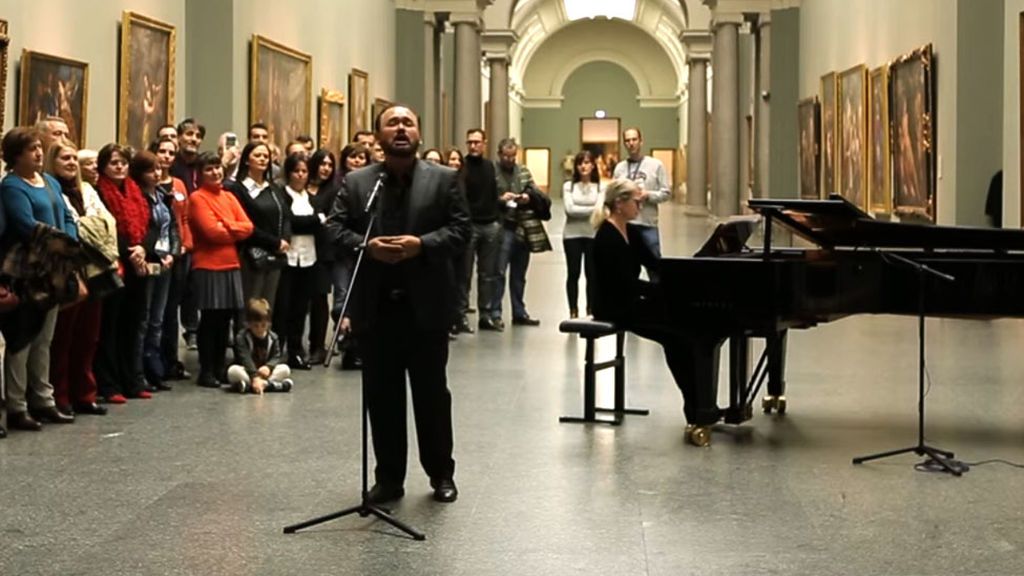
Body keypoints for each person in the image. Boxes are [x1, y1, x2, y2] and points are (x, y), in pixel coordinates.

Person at [326, 104, 470, 503]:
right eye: (393, 123)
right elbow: (335, 230)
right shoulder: (358, 183)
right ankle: (389, 479)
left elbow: (461, 231)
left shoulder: (444, 179)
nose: (402, 128)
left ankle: (441, 473)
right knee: (382, 396)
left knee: (431, 395)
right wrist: (365, 247)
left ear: (419, 134)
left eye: (409, 122)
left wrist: (420, 245)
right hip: (376, 308)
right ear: (378, 136)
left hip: (426, 308)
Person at [590, 179, 720, 447]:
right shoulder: (606, 237)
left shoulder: (632, 233)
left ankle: (698, 409)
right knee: (677, 336)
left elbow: (656, 265)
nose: (640, 205)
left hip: (632, 300)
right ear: (619, 203)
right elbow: (622, 284)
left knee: (681, 335)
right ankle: (696, 409)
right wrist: (659, 293)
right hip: (615, 306)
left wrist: (688, 275)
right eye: (636, 201)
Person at [0, 127, 78, 430]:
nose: (38, 153)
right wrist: (63, 245)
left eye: (39, 148)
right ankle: (18, 405)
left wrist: (70, 243)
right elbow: (25, 225)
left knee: (45, 339)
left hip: (54, 270)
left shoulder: (50, 182)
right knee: (23, 338)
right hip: (29, 271)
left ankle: (43, 399)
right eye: (31, 149)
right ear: (15, 155)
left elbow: (68, 216)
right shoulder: (11, 187)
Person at [45, 141, 114, 417]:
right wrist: (86, 226)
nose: (72, 163)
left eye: (74, 158)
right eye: (65, 158)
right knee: (64, 337)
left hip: (94, 269)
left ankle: (85, 393)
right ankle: (61, 396)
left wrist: (84, 226)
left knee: (89, 336)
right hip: (68, 270)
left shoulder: (87, 191)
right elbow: (71, 231)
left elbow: (107, 224)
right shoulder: (53, 191)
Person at [189, 152, 253, 388]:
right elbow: (211, 233)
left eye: (217, 167)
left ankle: (218, 367)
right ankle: (206, 370)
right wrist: (231, 228)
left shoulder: (228, 196)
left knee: (226, 320)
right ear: (200, 174)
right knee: (210, 320)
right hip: (208, 265)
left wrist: (226, 224)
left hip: (231, 264)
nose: (215, 172)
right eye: (209, 169)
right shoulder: (197, 198)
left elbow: (248, 227)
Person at [133, 151, 180, 389]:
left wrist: (173, 252)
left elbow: (172, 227)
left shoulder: (161, 195)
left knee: (158, 320)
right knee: (144, 318)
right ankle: (139, 371)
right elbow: (142, 231)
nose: (157, 174)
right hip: (149, 262)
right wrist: (157, 255)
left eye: (159, 169)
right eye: (152, 170)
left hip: (166, 262)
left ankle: (155, 370)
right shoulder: (138, 197)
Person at [494, 138, 550, 327]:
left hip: (523, 228)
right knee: (499, 272)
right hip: (503, 227)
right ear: (499, 154)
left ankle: (519, 311)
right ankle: (495, 312)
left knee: (519, 274)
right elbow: (485, 197)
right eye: (506, 156)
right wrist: (501, 199)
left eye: (513, 156)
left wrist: (527, 197)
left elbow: (536, 192)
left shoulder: (523, 171)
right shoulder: (493, 172)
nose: (510, 160)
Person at [149, 136, 192, 381]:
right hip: (157, 254)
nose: (166, 156)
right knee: (155, 311)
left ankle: (171, 360)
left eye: (170, 152)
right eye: (162, 151)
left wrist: (185, 244)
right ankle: (155, 364)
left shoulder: (179, 184)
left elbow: (183, 219)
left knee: (171, 310)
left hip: (179, 253)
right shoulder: (148, 182)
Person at [228, 141, 291, 306]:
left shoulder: (274, 188)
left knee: (267, 306)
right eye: (258, 155)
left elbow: (285, 216)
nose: (263, 159)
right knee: (250, 306)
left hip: (276, 255)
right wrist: (274, 242)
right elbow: (245, 224)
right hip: (251, 254)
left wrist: (285, 240)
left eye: (266, 156)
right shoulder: (238, 189)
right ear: (247, 160)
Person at [274, 153, 320, 369]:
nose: (301, 175)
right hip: (288, 259)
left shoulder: (311, 198)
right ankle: (277, 350)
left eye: (304, 171)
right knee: (283, 307)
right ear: (289, 173)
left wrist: (313, 222)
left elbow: (321, 223)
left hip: (308, 258)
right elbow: (292, 223)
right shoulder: (282, 194)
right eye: (296, 171)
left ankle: (296, 351)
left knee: (301, 308)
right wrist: (313, 221)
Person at [459, 129, 502, 333]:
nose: (473, 146)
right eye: (470, 142)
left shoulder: (489, 166)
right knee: (464, 273)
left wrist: (497, 219)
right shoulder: (462, 167)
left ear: (484, 143)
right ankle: (462, 314)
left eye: (477, 142)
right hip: (470, 225)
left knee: (488, 274)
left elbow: (494, 193)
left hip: (490, 224)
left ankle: (485, 315)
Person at [612, 128, 671, 274]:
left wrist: (647, 195)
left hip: (647, 225)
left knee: (655, 268)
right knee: (627, 269)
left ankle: (658, 296)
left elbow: (666, 193)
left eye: (634, 139)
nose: (631, 143)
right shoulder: (620, 168)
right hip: (626, 226)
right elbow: (614, 195)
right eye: (627, 140)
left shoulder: (656, 165)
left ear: (641, 141)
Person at [306, 149, 339, 365]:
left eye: (330, 165)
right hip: (300, 248)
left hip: (323, 251)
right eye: (322, 164)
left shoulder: (334, 190)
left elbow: (332, 220)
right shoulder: (300, 187)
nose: (326, 168)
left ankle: (318, 345)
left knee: (319, 298)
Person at [562, 150, 602, 318]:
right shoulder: (568, 186)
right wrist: (592, 209)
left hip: (593, 235)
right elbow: (569, 210)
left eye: (586, 163)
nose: (583, 166)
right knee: (573, 273)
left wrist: (582, 209)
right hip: (572, 235)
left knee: (592, 274)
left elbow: (601, 211)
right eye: (580, 163)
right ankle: (573, 310)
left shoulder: (600, 187)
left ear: (593, 165)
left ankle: (591, 309)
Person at [227, 298, 293, 394]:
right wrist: (254, 376)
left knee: (285, 369)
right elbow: (245, 358)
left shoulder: (273, 338)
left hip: (265, 373)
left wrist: (268, 367)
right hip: (248, 371)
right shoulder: (242, 337)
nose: (259, 329)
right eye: (256, 326)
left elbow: (277, 356)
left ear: (268, 324)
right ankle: (271, 385)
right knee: (232, 371)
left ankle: (250, 386)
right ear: (248, 324)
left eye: (263, 325)